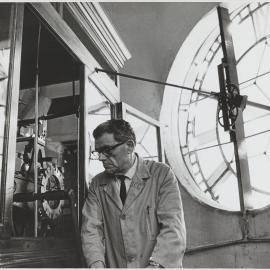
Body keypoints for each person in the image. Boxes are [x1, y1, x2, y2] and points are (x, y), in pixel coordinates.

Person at [81, 119, 186, 268]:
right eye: (98, 152)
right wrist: (96, 265)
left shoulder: (162, 174)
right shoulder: (97, 184)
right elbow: (91, 230)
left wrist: (155, 266)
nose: (101, 158)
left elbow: (173, 229)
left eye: (107, 151)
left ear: (129, 146)